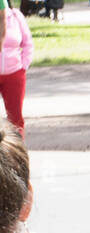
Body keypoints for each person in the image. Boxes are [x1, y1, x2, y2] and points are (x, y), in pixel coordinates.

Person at [0, 0, 32, 137]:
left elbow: (27, 43)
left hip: (14, 73)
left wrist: (23, 66)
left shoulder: (15, 16)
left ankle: (17, 153)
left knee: (15, 118)